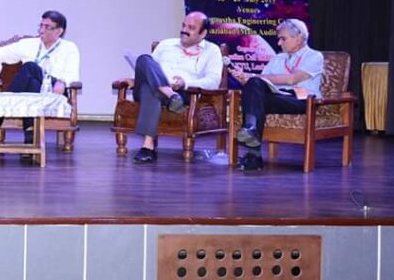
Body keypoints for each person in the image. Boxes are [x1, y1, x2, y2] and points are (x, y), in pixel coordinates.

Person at [127, 11, 223, 165]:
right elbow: (149, 70)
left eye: (191, 28)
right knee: (144, 59)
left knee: (150, 90)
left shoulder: (212, 51)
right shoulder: (166, 44)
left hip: (184, 93)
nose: (184, 30)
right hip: (171, 93)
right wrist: (133, 80)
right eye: (184, 25)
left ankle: (147, 147)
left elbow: (213, 81)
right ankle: (169, 94)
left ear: (203, 33)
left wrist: (185, 83)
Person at [229, 18, 323, 171]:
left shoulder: (314, 56)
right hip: (277, 97)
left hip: (301, 100)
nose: (279, 43)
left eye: (283, 39)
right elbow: (259, 84)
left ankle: (252, 146)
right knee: (254, 89)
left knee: (255, 86)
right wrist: (246, 80)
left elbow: (292, 79)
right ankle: (251, 132)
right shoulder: (278, 58)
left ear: (298, 38)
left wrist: (253, 77)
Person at [0, 10, 80, 145]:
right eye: (41, 25)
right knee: (33, 84)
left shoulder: (69, 48)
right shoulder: (29, 44)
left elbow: (73, 74)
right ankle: (30, 139)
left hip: (56, 92)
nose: (41, 30)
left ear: (59, 31)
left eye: (47, 27)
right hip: (35, 92)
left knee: (30, 66)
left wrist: (63, 81)